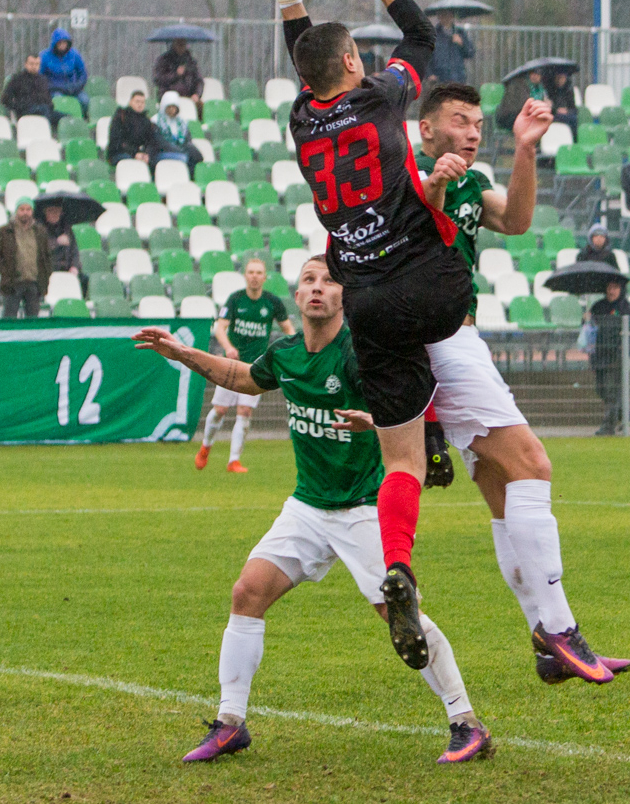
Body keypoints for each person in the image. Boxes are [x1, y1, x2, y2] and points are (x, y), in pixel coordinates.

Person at [132, 257, 493, 766]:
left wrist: (377, 420)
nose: (318, 287)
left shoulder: (361, 352)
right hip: (307, 506)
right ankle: (230, 723)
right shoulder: (285, 353)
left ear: (344, 296)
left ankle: (466, 722)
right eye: (308, 281)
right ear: (297, 298)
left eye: (328, 280)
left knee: (398, 613)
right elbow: (241, 376)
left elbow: (413, 396)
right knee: (247, 592)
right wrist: (183, 353)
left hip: (365, 506)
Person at [272, 0, 475, 671]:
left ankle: (400, 559)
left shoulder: (302, 117)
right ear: (356, 63)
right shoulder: (384, 98)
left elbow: (305, 55)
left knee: (400, 465)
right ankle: (439, 427)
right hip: (429, 282)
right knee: (459, 229)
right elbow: (423, 39)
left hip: (366, 299)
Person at [416, 82, 627, 684]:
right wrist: (429, 185)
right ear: (427, 129)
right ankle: (559, 629)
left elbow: (516, 219)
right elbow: (399, 231)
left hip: (454, 340)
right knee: (532, 464)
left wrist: (526, 150)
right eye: (461, 121)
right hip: (442, 342)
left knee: (502, 487)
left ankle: (545, 640)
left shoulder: (469, 182)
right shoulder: (402, 173)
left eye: (479, 122)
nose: (474, 131)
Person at [198, 257, 295, 474]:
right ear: (245, 276)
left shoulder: (272, 302)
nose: (254, 276)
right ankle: (206, 446)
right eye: (251, 272)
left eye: (259, 272)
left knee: (245, 412)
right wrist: (229, 347)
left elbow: (288, 329)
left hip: (256, 366)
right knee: (220, 410)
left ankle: (234, 461)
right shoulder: (235, 300)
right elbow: (220, 328)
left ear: (265, 277)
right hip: (231, 364)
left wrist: (293, 348)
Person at [589, 278, 630, 436]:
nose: (611, 291)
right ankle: (627, 413)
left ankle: (608, 426)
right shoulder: (598, 307)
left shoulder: (629, 308)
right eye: (609, 287)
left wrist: (625, 344)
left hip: (618, 356)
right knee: (601, 389)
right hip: (600, 354)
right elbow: (589, 329)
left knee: (612, 391)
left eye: (615, 288)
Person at [0, 197, 52, 318]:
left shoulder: (40, 232)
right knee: (9, 318)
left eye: (28, 209)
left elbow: (47, 256)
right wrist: (4, 272)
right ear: (16, 211)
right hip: (13, 283)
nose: (25, 212)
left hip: (34, 283)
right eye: (22, 209)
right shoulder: (4, 231)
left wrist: (46, 274)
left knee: (33, 320)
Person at [106, 89, 163, 166]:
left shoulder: (146, 120)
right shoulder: (120, 117)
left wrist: (147, 154)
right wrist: (135, 153)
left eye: (142, 102)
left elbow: (151, 141)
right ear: (130, 102)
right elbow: (116, 142)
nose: (140, 104)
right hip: (120, 153)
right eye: (137, 101)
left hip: (140, 154)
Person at [39, 28, 88, 114]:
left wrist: (77, 86)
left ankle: (81, 120)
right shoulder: (45, 56)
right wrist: (54, 87)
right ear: (55, 44)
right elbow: (40, 77)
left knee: (85, 101)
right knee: (60, 102)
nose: (62, 45)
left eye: (65, 43)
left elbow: (82, 73)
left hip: (73, 88)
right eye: (60, 43)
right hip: (54, 90)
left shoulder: (74, 54)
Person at [152, 91, 202, 170]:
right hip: (163, 152)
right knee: (184, 158)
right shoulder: (156, 121)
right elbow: (160, 143)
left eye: (174, 107)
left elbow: (187, 140)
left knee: (196, 157)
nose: (172, 110)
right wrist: (179, 150)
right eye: (169, 107)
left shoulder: (182, 123)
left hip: (181, 151)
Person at [2, 55, 58, 123]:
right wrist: (19, 106)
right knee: (43, 110)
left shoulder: (43, 80)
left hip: (44, 110)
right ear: (26, 64)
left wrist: (50, 106)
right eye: (31, 64)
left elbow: (48, 99)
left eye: (37, 64)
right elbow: (5, 99)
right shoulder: (17, 79)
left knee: (67, 117)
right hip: (26, 111)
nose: (34, 67)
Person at [152, 38, 204, 108]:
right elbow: (158, 79)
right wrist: (176, 74)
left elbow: (199, 81)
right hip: (168, 97)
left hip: (189, 97)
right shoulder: (163, 60)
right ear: (174, 44)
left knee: (201, 107)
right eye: (179, 44)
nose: (181, 47)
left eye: (183, 44)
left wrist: (197, 94)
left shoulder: (191, 61)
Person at [428, 11, 475, 85]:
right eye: (443, 15)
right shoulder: (433, 34)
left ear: (452, 16)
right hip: (439, 77)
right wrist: (429, 73)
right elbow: (427, 55)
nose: (446, 18)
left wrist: (461, 43)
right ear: (439, 17)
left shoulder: (460, 32)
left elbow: (470, 53)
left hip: (458, 76)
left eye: (448, 15)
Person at [40, 202, 77, 274]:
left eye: (57, 211)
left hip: (67, 268)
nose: (54, 213)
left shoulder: (67, 229)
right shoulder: (40, 229)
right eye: (51, 211)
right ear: (45, 212)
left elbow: (74, 250)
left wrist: (74, 266)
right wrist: (57, 242)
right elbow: (41, 250)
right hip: (48, 269)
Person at [547, 70, 579, 137]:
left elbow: (573, 107)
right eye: (558, 78)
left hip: (566, 114)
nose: (560, 80)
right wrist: (557, 110)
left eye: (562, 78)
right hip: (554, 113)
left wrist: (567, 110)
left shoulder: (569, 90)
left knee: (574, 118)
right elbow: (549, 105)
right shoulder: (550, 90)